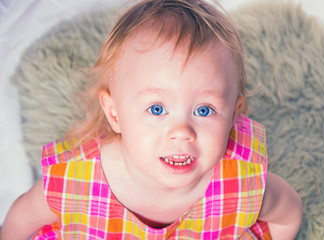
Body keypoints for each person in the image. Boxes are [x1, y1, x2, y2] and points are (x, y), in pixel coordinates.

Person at [0, 0, 302, 239]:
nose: (182, 132)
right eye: (157, 109)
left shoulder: (241, 181)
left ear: (235, 114)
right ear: (114, 113)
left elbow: (288, 213)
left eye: (204, 110)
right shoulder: (75, 180)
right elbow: (22, 218)